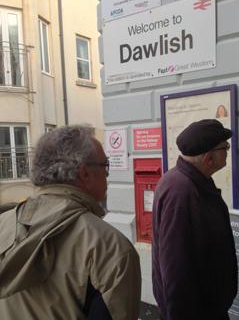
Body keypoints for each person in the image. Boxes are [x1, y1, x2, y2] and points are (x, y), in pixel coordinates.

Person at [0, 125, 141, 320]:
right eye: (105, 165)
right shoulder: (110, 247)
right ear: (84, 173)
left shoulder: (3, 223)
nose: (108, 174)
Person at [152, 119, 238, 320]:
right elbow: (176, 269)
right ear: (208, 158)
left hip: (206, 308)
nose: (227, 151)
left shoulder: (189, 181)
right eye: (225, 147)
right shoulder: (183, 192)